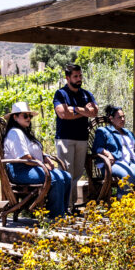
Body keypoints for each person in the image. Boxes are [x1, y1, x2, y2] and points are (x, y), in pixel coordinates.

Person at [3, 101, 72, 219]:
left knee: (66, 176)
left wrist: (45, 157)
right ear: (15, 117)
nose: (28, 118)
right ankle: (54, 217)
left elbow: (33, 150)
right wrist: (42, 165)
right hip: (20, 171)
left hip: (32, 167)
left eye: (29, 116)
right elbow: (25, 157)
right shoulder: (15, 133)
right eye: (25, 115)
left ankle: (62, 212)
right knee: (55, 179)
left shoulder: (24, 132)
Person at [53, 63, 97, 207]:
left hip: (81, 138)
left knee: (77, 173)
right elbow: (63, 113)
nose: (79, 79)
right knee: (67, 172)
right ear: (68, 78)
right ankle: (66, 207)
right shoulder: (61, 94)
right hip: (65, 138)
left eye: (80, 76)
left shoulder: (86, 93)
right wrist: (83, 111)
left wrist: (75, 110)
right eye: (75, 76)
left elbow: (94, 112)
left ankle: (70, 205)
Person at [93, 105, 135, 198]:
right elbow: (97, 148)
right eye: (119, 117)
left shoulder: (127, 132)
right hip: (114, 163)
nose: (123, 119)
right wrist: (107, 153)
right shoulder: (103, 131)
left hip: (131, 161)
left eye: (123, 116)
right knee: (128, 175)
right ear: (111, 119)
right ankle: (123, 205)